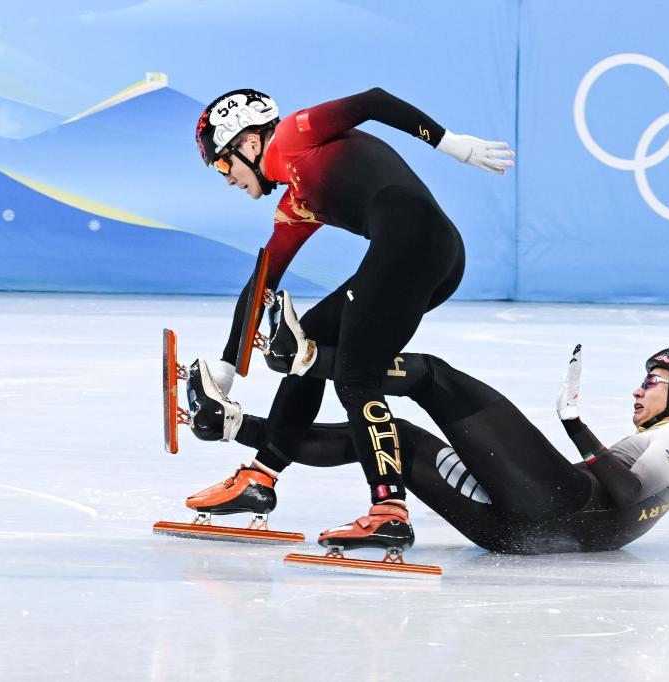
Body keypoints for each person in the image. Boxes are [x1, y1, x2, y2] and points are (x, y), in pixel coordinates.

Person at [189, 87, 514, 551]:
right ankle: (260, 478)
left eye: (224, 163)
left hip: (413, 242)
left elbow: (374, 102)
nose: (227, 178)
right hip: (429, 254)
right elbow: (262, 281)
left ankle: (389, 510)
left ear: (250, 143)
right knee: (316, 337)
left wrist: (451, 144)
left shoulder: (295, 136)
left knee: (355, 376)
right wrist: (226, 367)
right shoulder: (295, 204)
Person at [186, 312, 669, 554]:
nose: (639, 391)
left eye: (652, 381)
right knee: (384, 436)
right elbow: (620, 515)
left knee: (432, 376)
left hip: (553, 505)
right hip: (515, 533)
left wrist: (574, 423)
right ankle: (230, 423)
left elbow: (627, 491)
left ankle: (309, 357)